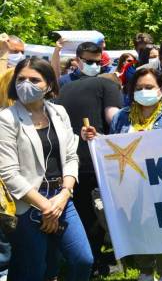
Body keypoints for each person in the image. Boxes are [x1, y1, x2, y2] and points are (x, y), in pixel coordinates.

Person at [82, 68, 162, 281]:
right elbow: (114, 147)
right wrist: (96, 138)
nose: (144, 91)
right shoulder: (122, 118)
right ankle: (144, 271)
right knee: (138, 225)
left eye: (149, 87)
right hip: (131, 187)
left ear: (161, 90)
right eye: (139, 88)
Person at [0, 57, 93, 280]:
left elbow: (71, 156)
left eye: (34, 79)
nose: (26, 84)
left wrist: (63, 196)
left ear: (49, 84)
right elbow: (9, 173)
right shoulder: (6, 118)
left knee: (83, 259)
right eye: (21, 79)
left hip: (62, 197)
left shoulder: (59, 112)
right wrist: (46, 207)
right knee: (33, 268)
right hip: (27, 203)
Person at [54, 42, 123, 275]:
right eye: (89, 61)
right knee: (92, 213)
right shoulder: (68, 84)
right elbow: (114, 118)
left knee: (87, 213)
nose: (94, 65)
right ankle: (91, 259)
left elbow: (112, 117)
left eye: (97, 61)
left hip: (84, 159)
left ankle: (86, 257)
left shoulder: (102, 84)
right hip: (87, 160)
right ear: (78, 59)